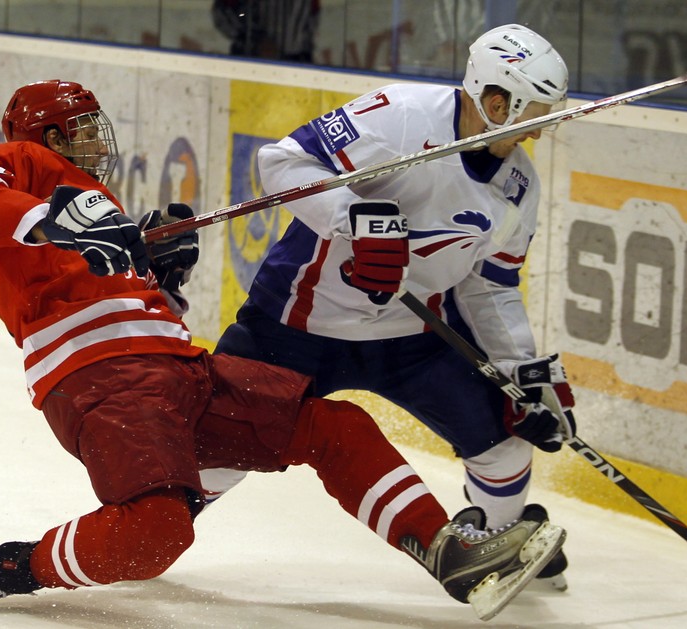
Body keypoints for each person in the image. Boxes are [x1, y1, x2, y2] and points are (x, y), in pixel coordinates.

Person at [0, 79, 564, 619]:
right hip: (101, 379)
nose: (98, 145)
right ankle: (16, 568)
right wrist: (53, 218)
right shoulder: (19, 168)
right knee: (155, 536)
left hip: (180, 368)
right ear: (44, 138)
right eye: (80, 132)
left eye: (99, 130)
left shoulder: (101, 215)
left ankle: (446, 550)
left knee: (332, 426)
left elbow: (137, 308)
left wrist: (162, 276)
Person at [214, 24, 576, 589]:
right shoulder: (400, 115)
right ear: (495, 99)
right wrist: (354, 220)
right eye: (534, 112)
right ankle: (149, 525)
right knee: (217, 449)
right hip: (295, 324)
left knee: (504, 447)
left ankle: (498, 551)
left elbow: (491, 286)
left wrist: (519, 371)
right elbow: (282, 163)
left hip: (413, 335)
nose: (539, 132)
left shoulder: (517, 186)